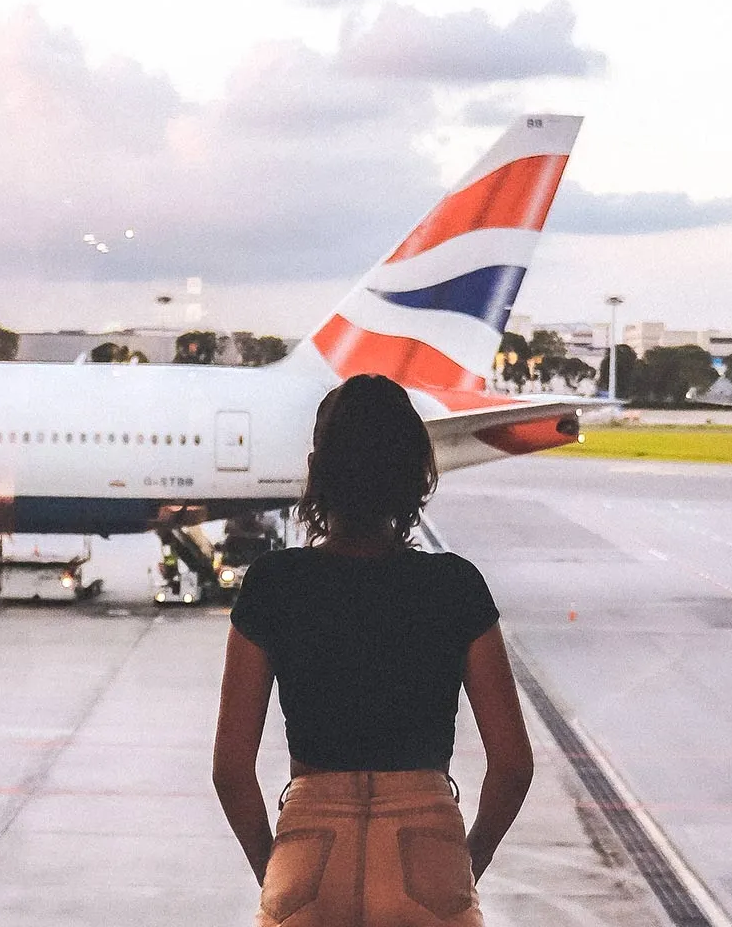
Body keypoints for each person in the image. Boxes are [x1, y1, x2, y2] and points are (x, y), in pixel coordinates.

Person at [214, 374, 533, 926]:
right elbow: (512, 766)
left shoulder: (273, 584)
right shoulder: (456, 586)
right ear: (417, 479)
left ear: (317, 476)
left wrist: (279, 874)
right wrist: (458, 870)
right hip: (429, 850)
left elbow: (230, 770)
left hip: (309, 851)